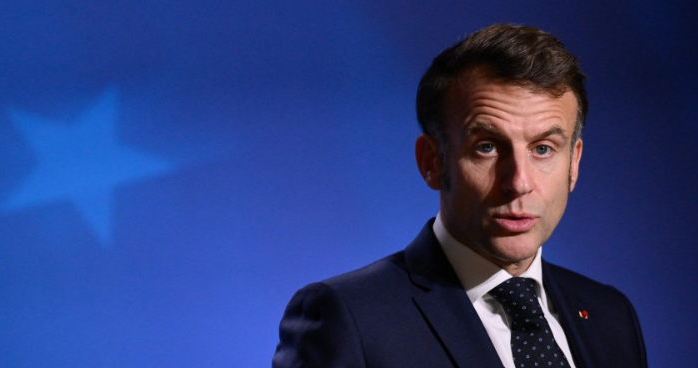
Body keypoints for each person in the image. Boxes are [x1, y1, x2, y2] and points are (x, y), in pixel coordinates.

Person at [272, 24, 647, 368]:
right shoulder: (349, 317)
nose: (519, 182)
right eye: (487, 147)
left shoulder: (610, 316)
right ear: (432, 162)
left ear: (574, 163)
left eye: (543, 149)